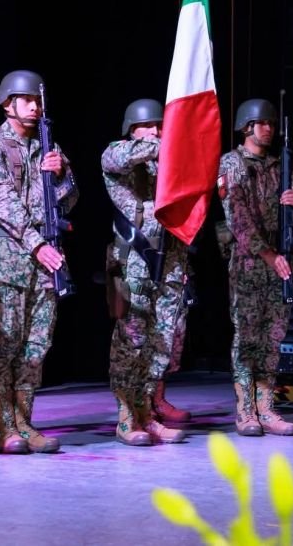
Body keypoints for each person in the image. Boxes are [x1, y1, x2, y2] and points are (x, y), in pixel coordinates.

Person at [0, 70, 78, 454]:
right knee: (5, 344)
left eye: (38, 100)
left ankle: (24, 422)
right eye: (27, 99)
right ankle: (4, 428)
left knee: (37, 345)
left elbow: (70, 199)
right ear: (7, 103)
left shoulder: (49, 147)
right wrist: (35, 244)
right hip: (7, 261)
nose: (35, 106)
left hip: (45, 260)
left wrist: (63, 175)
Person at [217, 98, 293, 437]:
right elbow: (238, 220)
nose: (269, 129)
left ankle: (267, 408)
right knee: (247, 340)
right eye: (263, 123)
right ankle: (245, 412)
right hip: (250, 266)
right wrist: (269, 255)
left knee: (273, 342)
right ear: (247, 127)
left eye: (272, 123)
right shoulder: (231, 164)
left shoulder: (281, 167)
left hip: (283, 268)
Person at [102, 98, 189, 446]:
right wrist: (159, 145)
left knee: (161, 341)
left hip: (170, 258)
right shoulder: (118, 153)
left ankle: (147, 413)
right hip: (134, 258)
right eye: (147, 126)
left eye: (159, 126)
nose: (155, 132)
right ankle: (126, 417)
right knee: (131, 340)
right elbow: (119, 159)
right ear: (131, 130)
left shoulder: (167, 161)